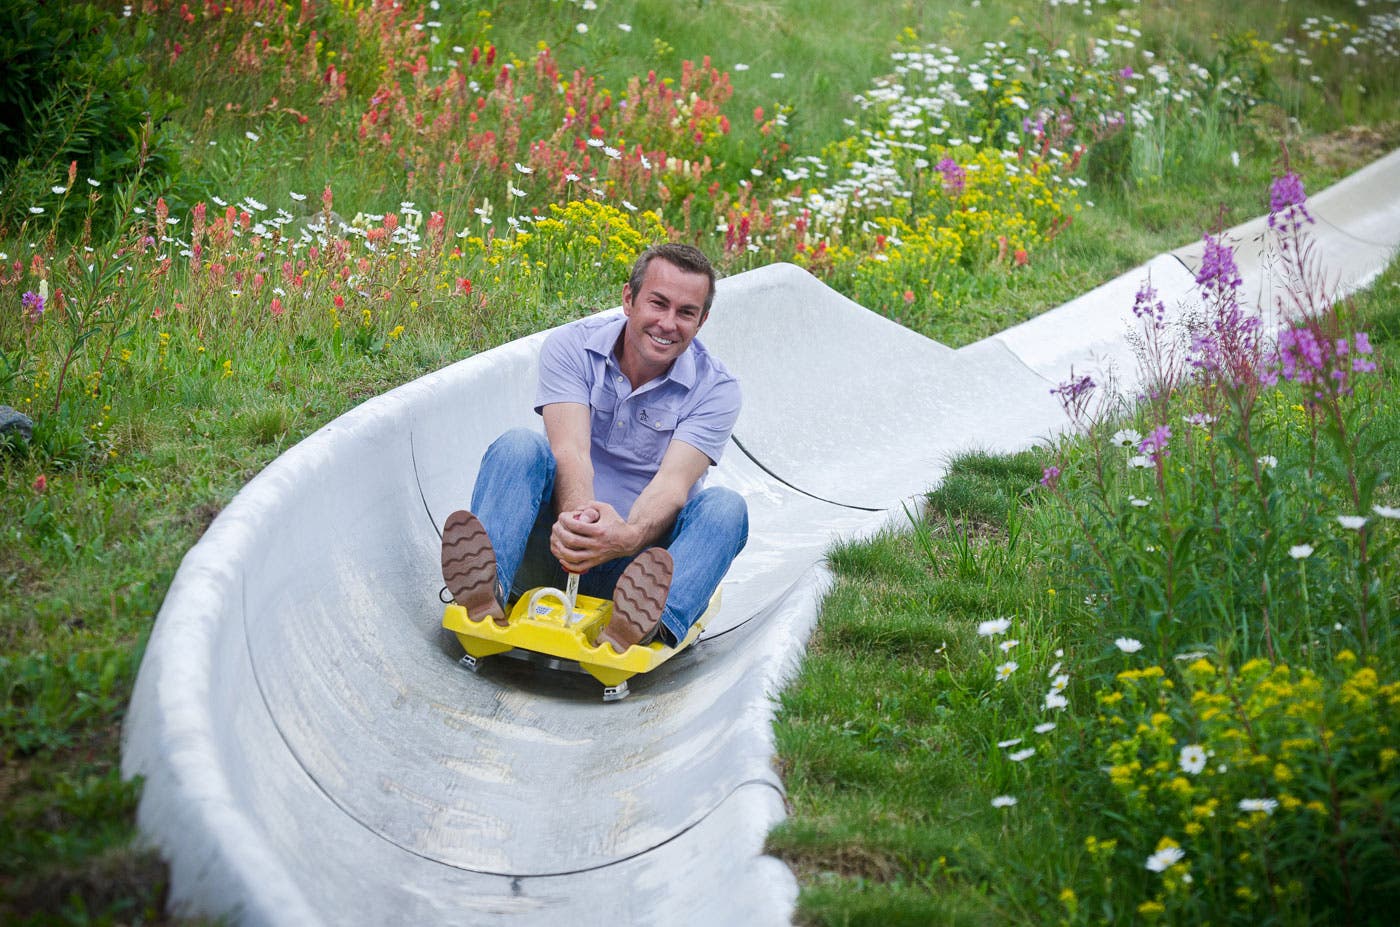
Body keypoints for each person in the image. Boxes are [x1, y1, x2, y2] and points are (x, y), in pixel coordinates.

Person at [441, 243, 749, 653]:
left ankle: (641, 626)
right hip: (554, 542)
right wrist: (579, 529)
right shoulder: (571, 347)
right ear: (628, 299)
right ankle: (486, 591)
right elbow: (571, 452)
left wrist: (624, 536)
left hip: (635, 571)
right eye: (658, 304)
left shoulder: (716, 389)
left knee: (727, 509)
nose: (668, 323)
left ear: (702, 320)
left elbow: (673, 485)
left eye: (686, 312)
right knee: (519, 446)